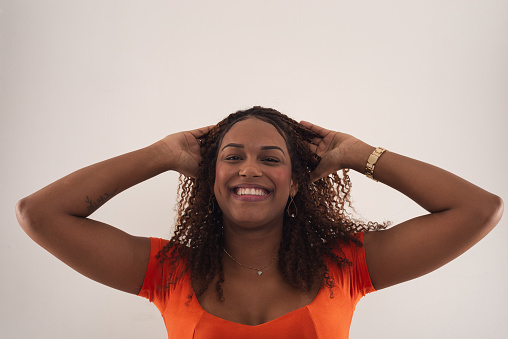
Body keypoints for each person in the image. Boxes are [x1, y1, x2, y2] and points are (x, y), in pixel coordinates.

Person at [16, 106, 503, 338]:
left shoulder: (346, 266)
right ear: (211, 178)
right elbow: (39, 214)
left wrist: (357, 154)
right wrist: (160, 154)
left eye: (271, 159)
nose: (250, 169)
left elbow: (479, 210)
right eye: (233, 158)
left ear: (295, 183)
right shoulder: (168, 272)